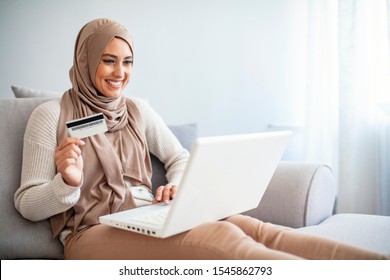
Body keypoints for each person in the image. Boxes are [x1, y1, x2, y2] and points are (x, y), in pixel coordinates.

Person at [14, 18, 387, 260]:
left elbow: (179, 158)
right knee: (224, 240)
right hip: (90, 235)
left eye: (127, 61)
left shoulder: (138, 110)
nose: (120, 73)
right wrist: (67, 183)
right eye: (108, 60)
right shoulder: (50, 116)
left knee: (258, 230)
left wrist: (176, 186)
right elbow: (27, 203)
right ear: (85, 60)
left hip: (147, 214)